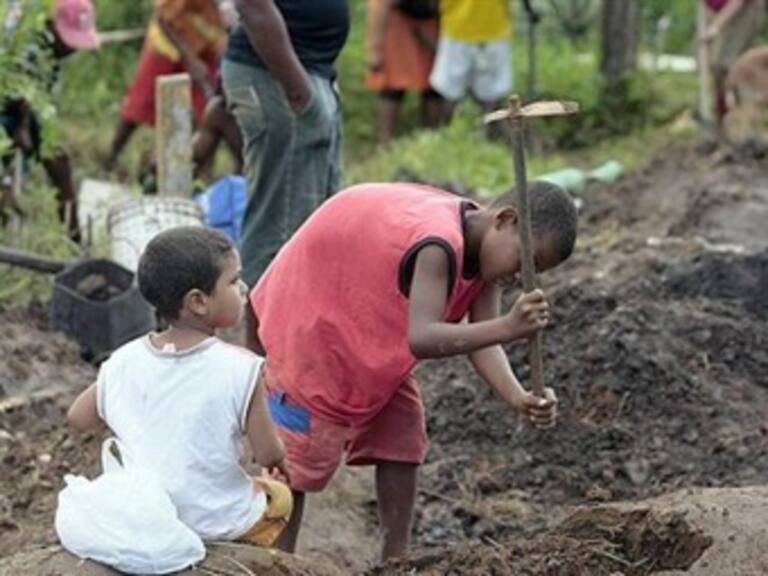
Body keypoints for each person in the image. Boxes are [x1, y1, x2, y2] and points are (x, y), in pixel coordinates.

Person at [248, 181, 578, 559]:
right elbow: (423, 337)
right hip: (316, 312)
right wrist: (509, 326)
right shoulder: (439, 245)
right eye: (523, 262)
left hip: (367, 324)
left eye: (534, 273)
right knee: (298, 460)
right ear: (505, 220)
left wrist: (519, 397)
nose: (520, 278)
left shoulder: (487, 251)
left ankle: (396, 559)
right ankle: (276, 561)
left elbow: (482, 338)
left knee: (402, 433)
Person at [67, 226, 292, 546]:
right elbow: (267, 452)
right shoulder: (241, 368)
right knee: (280, 498)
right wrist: (278, 460)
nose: (243, 288)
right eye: (233, 281)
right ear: (198, 302)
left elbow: (78, 418)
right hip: (214, 522)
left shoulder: (125, 359)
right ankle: (264, 560)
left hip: (143, 518)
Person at [221, 0, 349, 288]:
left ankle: (294, 311)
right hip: (278, 76)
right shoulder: (293, 89)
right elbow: (251, 5)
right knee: (280, 224)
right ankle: (261, 316)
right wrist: (298, 90)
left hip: (307, 71)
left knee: (311, 218)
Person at [0, 0, 100, 240]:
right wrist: (22, 127)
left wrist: (34, 130)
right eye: (69, 41)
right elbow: (20, 85)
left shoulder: (54, 53)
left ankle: (74, 241)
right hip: (8, 109)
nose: (72, 49)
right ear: (51, 26)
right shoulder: (28, 43)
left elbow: (40, 98)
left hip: (29, 112)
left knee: (60, 164)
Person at [104, 0, 227, 171]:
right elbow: (163, 18)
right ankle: (110, 161)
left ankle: (200, 174)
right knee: (140, 103)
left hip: (205, 50)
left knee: (208, 113)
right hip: (167, 44)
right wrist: (190, 58)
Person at [429, 0, 539, 130]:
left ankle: (445, 132)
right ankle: (489, 133)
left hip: (459, 28)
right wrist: (530, 10)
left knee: (450, 90)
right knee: (490, 93)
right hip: (491, 28)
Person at [366, 0, 442, 145]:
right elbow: (382, 8)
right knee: (392, 87)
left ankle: (432, 140)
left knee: (435, 86)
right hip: (396, 22)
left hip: (432, 22)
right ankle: (384, 143)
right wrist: (376, 49)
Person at [700, 0, 767, 127]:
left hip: (747, 8)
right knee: (718, 68)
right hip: (729, 12)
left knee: (726, 64)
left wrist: (715, 28)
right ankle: (722, 117)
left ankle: (739, 121)